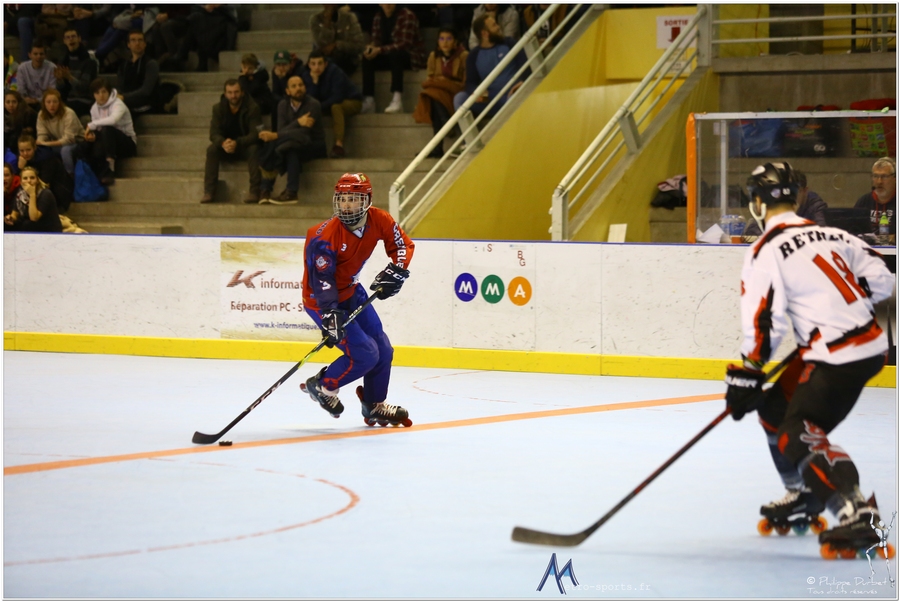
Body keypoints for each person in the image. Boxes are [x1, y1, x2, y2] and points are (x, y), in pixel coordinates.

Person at [724, 162, 894, 557]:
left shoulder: (765, 249)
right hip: (864, 346)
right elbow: (884, 280)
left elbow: (765, 321)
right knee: (773, 409)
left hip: (837, 355)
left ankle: (857, 513)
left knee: (797, 433)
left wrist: (749, 372)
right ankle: (804, 493)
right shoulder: (836, 234)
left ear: (757, 204)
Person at [301, 172, 415, 427]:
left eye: (353, 199)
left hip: (352, 292)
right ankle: (324, 385)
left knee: (383, 350)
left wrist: (397, 269)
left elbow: (402, 246)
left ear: (367, 200)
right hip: (322, 300)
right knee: (365, 353)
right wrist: (330, 313)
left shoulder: (380, 219)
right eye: (342, 199)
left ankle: (374, 404)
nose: (346, 205)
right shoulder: (322, 237)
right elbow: (322, 280)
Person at [257, 76, 326, 204]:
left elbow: (304, 133)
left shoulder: (313, 104)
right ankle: (269, 190)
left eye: (301, 85)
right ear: (288, 91)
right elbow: (282, 131)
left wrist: (277, 135)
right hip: (292, 143)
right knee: (282, 145)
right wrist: (298, 122)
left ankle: (287, 191)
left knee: (285, 146)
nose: (298, 88)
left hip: (314, 144)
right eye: (294, 86)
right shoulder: (282, 105)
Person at [454, 13, 528, 119]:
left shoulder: (509, 43)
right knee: (460, 98)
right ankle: (468, 130)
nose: (498, 27)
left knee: (513, 99)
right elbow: (470, 83)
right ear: (485, 33)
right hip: (491, 98)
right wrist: (476, 92)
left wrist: (523, 81)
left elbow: (526, 64)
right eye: (494, 25)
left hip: (513, 93)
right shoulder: (474, 55)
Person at [202, 79, 262, 204]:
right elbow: (213, 133)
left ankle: (255, 191)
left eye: (236, 92)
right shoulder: (218, 108)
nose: (233, 96)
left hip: (244, 146)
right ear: (225, 94)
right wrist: (223, 143)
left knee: (254, 148)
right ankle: (209, 192)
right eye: (230, 92)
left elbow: (255, 134)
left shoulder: (253, 108)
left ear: (242, 92)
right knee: (212, 150)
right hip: (226, 146)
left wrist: (237, 142)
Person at [360, 4, 427, 115]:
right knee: (367, 57)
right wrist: (371, 47)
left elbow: (404, 44)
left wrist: (379, 50)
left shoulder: (407, 15)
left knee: (396, 54)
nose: (388, 4)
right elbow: (376, 40)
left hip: (411, 56)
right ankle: (369, 99)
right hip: (388, 53)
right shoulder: (378, 16)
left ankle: (397, 98)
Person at [413, 27, 468, 159]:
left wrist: (445, 82)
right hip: (438, 93)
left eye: (449, 38)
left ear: (455, 41)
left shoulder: (464, 56)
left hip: (455, 92)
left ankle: (437, 147)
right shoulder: (434, 56)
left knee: (432, 94)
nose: (445, 42)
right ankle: (446, 124)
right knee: (433, 94)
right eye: (441, 39)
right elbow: (430, 79)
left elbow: (465, 82)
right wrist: (440, 83)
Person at [301, 49, 363, 159]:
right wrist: (314, 83)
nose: (317, 67)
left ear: (325, 64)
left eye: (320, 63)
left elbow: (338, 97)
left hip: (352, 100)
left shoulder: (335, 72)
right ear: (309, 65)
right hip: (326, 103)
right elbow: (310, 100)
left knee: (336, 107)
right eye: (313, 64)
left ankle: (338, 145)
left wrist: (318, 107)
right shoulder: (307, 75)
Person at [82, 77, 137, 185]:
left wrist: (92, 125)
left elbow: (113, 120)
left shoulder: (118, 104)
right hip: (108, 142)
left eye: (104, 92)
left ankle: (110, 169)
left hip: (127, 143)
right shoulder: (94, 108)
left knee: (107, 129)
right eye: (97, 93)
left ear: (109, 92)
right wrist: (92, 135)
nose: (101, 95)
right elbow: (97, 129)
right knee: (89, 145)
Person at [744, 170, 827, 237]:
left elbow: (821, 232)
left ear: (805, 191)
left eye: (795, 192)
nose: (790, 196)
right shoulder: (778, 201)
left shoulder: (816, 206)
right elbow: (752, 231)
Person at [17, 134, 73, 212]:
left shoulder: (47, 158)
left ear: (35, 148)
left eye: (28, 150)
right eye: (22, 151)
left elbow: (44, 183)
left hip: (58, 194)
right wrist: (20, 168)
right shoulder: (22, 160)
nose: (25, 153)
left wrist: (22, 169)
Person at [36, 88, 83, 176]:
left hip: (76, 142)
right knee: (40, 150)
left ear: (60, 103)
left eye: (55, 102)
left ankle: (70, 175)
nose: (52, 105)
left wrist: (46, 143)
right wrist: (40, 143)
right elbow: (42, 134)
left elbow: (69, 139)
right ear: (44, 103)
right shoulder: (41, 114)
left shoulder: (68, 113)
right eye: (48, 102)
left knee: (65, 150)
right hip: (56, 143)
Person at [54, 27, 100, 118]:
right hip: (69, 100)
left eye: (73, 36)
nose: (71, 39)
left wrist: (69, 77)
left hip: (85, 101)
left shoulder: (89, 62)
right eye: (68, 37)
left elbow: (84, 87)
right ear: (64, 41)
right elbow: (62, 90)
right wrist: (59, 80)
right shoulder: (64, 61)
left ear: (79, 39)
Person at [309, 4, 366, 77]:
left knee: (331, 65)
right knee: (316, 64)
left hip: (347, 58)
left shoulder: (349, 17)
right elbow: (321, 44)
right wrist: (327, 22)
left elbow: (359, 46)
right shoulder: (316, 19)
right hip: (325, 57)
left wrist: (336, 45)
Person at [3, 165, 63, 232]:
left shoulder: (45, 193)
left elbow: (34, 218)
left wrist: (32, 194)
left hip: (49, 229)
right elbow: (15, 214)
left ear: (37, 180)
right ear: (21, 182)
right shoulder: (20, 194)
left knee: (27, 224)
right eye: (25, 178)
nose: (29, 181)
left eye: (32, 178)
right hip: (32, 227)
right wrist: (10, 218)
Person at [115, 29, 160, 116]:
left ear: (145, 44)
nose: (137, 43)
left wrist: (124, 97)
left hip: (146, 101)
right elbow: (120, 86)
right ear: (128, 45)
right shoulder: (124, 65)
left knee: (119, 108)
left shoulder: (151, 64)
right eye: (133, 40)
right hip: (126, 100)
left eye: (140, 40)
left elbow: (146, 90)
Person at [854, 157, 895, 244]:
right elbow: (853, 231)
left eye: (884, 176)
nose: (879, 182)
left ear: (895, 178)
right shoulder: (864, 202)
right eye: (875, 176)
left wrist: (895, 238)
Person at [269, 50, 305, 132]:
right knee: (275, 103)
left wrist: (282, 78)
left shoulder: (299, 71)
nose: (281, 68)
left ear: (291, 63)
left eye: (284, 64)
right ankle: (275, 133)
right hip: (284, 98)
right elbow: (275, 92)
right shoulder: (275, 71)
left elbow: (293, 92)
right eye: (278, 65)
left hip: (298, 97)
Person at [17, 43, 57, 112]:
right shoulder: (22, 68)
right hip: (27, 101)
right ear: (30, 55)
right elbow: (21, 89)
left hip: (46, 101)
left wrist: (37, 100)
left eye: (41, 54)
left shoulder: (52, 67)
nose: (38, 57)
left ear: (45, 55)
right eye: (35, 54)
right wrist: (26, 99)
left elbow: (52, 90)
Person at [238, 53, 275, 119]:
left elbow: (249, 91)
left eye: (250, 68)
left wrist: (242, 78)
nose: (246, 71)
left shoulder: (260, 76)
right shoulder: (245, 76)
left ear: (255, 67)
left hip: (263, 103)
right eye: (244, 67)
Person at [4, 91, 38, 155]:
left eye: (14, 102)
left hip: (23, 144)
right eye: (8, 102)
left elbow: (31, 134)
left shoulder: (28, 114)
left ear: (19, 102)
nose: (11, 105)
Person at [4, 163, 21, 229]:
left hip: (18, 221)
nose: (3, 179)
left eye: (7, 175)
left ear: (12, 176)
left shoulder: (20, 188)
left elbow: (16, 212)